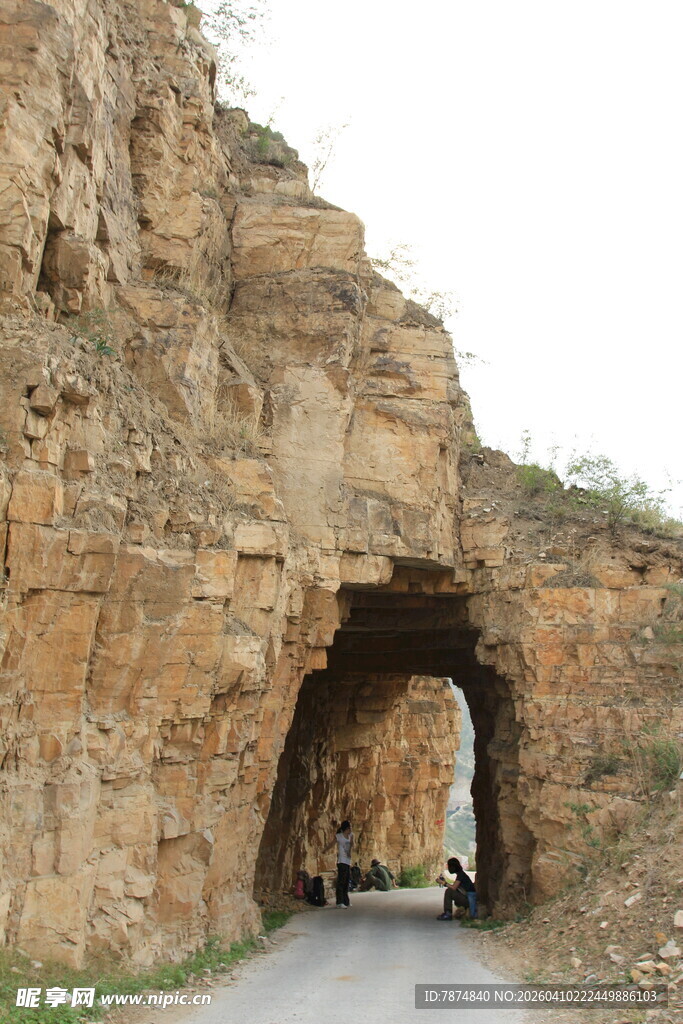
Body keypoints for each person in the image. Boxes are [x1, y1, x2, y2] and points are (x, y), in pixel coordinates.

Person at [325, 820, 353, 908]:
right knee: (341, 881)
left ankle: (346, 901)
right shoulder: (339, 836)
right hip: (341, 861)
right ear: (346, 828)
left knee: (346, 882)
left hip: (348, 861)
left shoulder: (351, 836)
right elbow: (331, 844)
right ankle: (339, 902)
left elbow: (352, 846)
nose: (351, 829)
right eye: (349, 827)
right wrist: (325, 850)